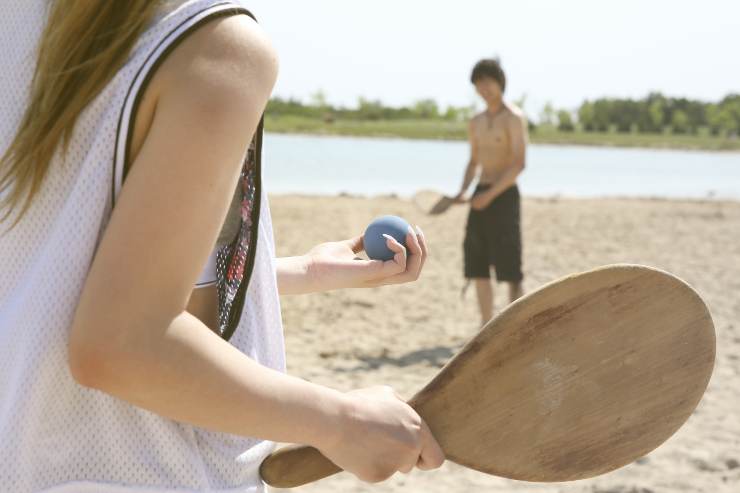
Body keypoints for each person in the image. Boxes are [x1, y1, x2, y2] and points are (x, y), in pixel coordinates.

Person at [0, 1, 444, 491]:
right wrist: (341, 420)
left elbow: (65, 269)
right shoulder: (216, 46)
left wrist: (304, 271)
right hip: (146, 470)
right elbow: (121, 344)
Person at [454, 58, 527, 326]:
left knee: (510, 267)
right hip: (479, 193)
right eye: (478, 83)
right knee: (477, 263)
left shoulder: (514, 118)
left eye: (488, 81)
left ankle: (515, 325)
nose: (483, 87)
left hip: (504, 195)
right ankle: (486, 326)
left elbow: (519, 164)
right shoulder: (476, 121)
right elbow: (473, 162)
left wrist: (491, 195)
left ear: (500, 83)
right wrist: (463, 191)